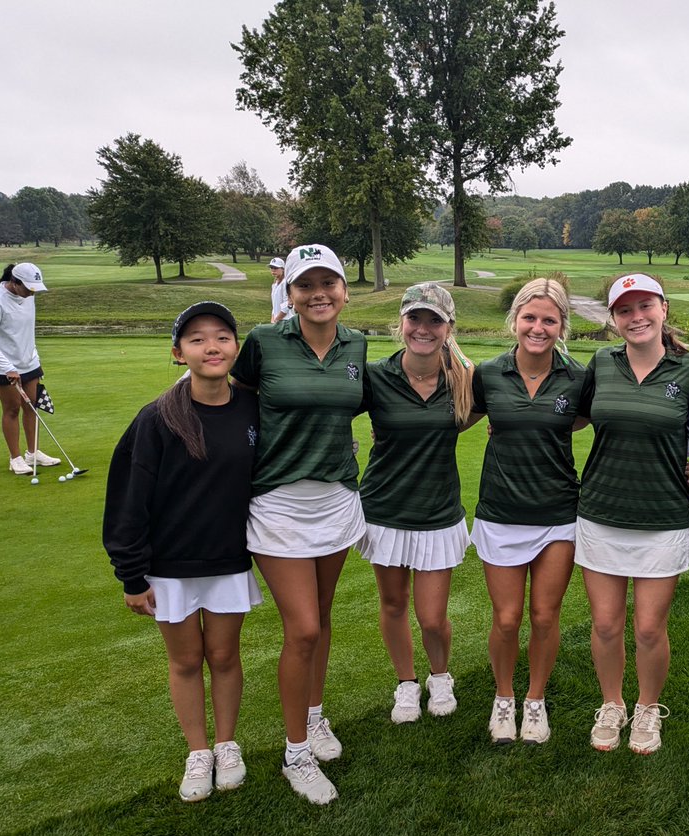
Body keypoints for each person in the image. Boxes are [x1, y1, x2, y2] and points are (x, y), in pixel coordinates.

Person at [103, 302, 261, 802]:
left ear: (236, 347)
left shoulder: (253, 409)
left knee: (224, 654)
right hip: (167, 567)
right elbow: (129, 499)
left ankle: (227, 744)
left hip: (228, 560)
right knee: (187, 660)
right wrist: (131, 575)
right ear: (178, 354)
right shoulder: (157, 419)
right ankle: (198, 752)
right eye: (196, 339)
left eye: (221, 337)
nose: (211, 347)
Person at [231, 243, 368, 805]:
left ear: (342, 289)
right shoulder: (264, 342)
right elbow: (232, 403)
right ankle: (295, 753)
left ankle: (314, 717)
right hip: (279, 503)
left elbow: (353, 405)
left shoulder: (357, 343)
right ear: (288, 292)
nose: (318, 294)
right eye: (305, 285)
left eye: (328, 283)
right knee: (303, 628)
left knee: (324, 618)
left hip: (335, 498)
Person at [576, 273, 689, 755]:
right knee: (606, 624)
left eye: (645, 306)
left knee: (649, 628)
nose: (636, 317)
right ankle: (612, 704)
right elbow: (571, 415)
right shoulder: (601, 363)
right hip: (601, 510)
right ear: (613, 320)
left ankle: (648, 708)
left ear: (663, 309)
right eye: (625, 310)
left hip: (663, 515)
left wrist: (684, 461)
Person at [470, 278, 586, 745]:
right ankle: (504, 699)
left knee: (544, 615)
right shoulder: (488, 373)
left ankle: (534, 701)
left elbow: (600, 420)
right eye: (530, 318)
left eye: (549, 320)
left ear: (562, 326)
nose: (538, 328)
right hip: (500, 511)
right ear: (515, 320)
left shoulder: (578, 377)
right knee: (506, 618)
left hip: (558, 512)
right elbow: (456, 418)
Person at [357, 283, 475, 726]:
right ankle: (406, 682)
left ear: (448, 328)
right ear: (401, 323)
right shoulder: (375, 376)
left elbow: (487, 411)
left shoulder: (465, 379)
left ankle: (439, 675)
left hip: (438, 512)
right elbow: (326, 412)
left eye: (434, 321)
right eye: (415, 319)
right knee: (392, 605)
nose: (423, 329)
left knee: (431, 616)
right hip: (385, 509)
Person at [0, 262, 61, 475]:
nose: (32, 293)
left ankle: (33, 454)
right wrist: (7, 367)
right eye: (28, 288)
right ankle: (15, 458)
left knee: (31, 406)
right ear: (14, 283)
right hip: (2, 365)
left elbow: (26, 332)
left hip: (28, 361)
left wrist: (35, 359)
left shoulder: (27, 297)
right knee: (12, 409)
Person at [268, 257, 291, 324]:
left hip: (286, 320)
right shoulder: (274, 284)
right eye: (271, 268)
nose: (273, 270)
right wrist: (273, 319)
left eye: (276, 268)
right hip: (277, 321)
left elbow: (288, 304)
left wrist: (277, 319)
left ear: (283, 269)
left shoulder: (285, 283)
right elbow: (275, 305)